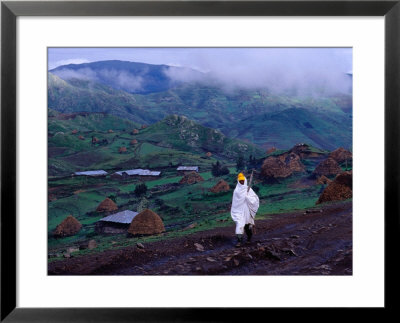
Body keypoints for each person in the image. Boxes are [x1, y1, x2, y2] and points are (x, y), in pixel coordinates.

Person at [230, 172, 260, 247]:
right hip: (239, 211)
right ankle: (239, 241)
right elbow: (235, 203)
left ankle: (249, 239)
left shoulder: (248, 189)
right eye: (240, 181)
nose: (242, 182)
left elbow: (255, 199)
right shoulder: (236, 191)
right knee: (239, 225)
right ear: (238, 181)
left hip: (247, 211)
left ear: (245, 180)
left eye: (243, 180)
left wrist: (248, 198)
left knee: (247, 225)